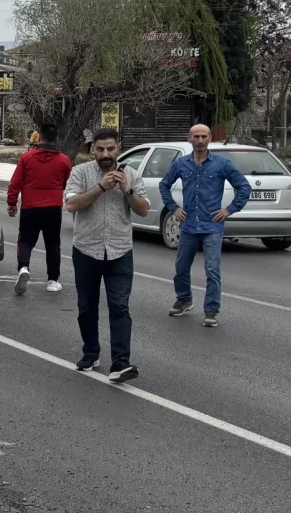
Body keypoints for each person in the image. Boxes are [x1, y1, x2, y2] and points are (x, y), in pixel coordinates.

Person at [63, 128, 149, 383]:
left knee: (120, 306)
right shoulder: (80, 173)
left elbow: (144, 210)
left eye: (110, 149)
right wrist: (101, 187)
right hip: (86, 249)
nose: (105, 154)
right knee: (86, 306)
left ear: (118, 148)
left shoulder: (131, 174)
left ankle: (121, 362)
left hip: (120, 250)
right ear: (93, 150)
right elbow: (71, 204)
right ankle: (91, 353)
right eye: (100, 149)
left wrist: (127, 190)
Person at [160, 124, 251, 328]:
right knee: (181, 267)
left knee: (212, 269)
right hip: (189, 226)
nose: (200, 140)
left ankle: (211, 309)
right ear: (189, 138)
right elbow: (164, 185)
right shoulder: (181, 164)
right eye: (196, 136)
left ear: (210, 138)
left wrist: (229, 210)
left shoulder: (222, 164)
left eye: (204, 136)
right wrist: (174, 208)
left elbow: (244, 187)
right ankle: (184, 299)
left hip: (212, 227)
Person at [7, 122, 72, 295]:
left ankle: (23, 268)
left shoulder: (27, 158)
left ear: (40, 137)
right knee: (53, 244)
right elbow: (68, 182)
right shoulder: (63, 160)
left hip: (30, 207)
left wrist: (12, 203)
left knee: (26, 241)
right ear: (56, 139)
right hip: (53, 208)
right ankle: (53, 280)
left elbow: (15, 182)